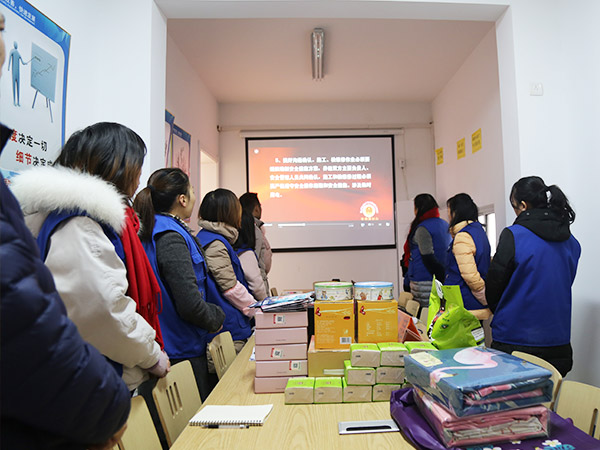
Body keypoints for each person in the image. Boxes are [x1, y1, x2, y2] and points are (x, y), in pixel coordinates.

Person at [0, 16, 130, 449]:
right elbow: (88, 310)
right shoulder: (78, 220)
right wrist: (109, 404)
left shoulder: (41, 206)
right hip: (71, 403)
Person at [11, 122, 170, 392]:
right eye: (137, 169)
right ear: (117, 167)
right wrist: (151, 355)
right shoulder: (80, 224)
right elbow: (102, 309)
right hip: (87, 378)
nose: (138, 180)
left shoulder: (52, 214)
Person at [134, 168, 225, 400]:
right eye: (192, 191)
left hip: (167, 347)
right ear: (182, 199)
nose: (195, 197)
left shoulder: (155, 227)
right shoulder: (170, 236)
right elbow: (189, 303)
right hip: (178, 352)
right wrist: (215, 317)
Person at [486, 176, 580, 376]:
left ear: (523, 205)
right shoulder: (571, 241)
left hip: (514, 340)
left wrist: (500, 310)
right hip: (557, 341)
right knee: (550, 395)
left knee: (511, 396)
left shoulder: (514, 236)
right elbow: (564, 281)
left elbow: (494, 285)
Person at [196, 189, 255, 358]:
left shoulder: (210, 238)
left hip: (226, 327)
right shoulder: (215, 244)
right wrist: (256, 309)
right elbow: (230, 288)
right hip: (228, 330)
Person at [445, 193, 492, 320]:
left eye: (449, 212)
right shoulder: (479, 231)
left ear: (456, 212)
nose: (448, 216)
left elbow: (470, 276)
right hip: (474, 302)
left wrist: (484, 297)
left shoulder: (463, 236)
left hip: (465, 301)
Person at [401, 193, 451, 307]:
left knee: (425, 315)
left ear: (418, 209)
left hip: (424, 281)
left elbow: (427, 257)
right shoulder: (445, 224)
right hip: (442, 279)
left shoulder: (423, 228)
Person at [239, 192, 272, 294]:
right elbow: (254, 261)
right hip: (257, 282)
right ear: (256, 208)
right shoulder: (253, 229)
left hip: (258, 280)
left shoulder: (252, 227)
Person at [234, 209, 268, 302]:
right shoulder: (246, 254)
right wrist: (266, 302)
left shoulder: (230, 250)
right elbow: (257, 287)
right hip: (249, 304)